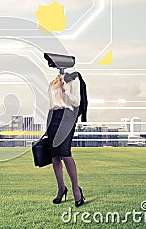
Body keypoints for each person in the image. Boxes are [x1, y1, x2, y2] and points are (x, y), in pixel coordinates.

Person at [46, 72, 85, 206]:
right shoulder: (53, 81)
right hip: (53, 116)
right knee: (55, 156)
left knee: (65, 153)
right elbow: (52, 103)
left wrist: (65, 89)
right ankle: (61, 188)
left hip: (67, 116)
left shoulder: (73, 79)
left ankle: (76, 189)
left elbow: (76, 101)